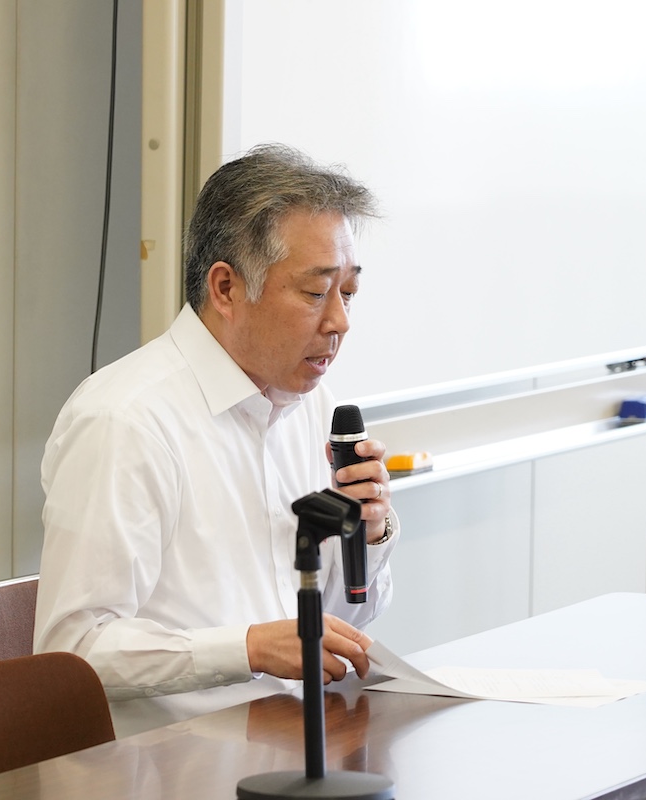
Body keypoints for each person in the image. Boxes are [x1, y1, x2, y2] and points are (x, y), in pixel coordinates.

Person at [33, 144, 398, 736]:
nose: (340, 322)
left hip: (300, 737)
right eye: (315, 293)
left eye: (348, 293)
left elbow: (334, 625)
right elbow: (73, 653)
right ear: (226, 288)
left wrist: (369, 534)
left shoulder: (314, 407)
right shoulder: (125, 420)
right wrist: (247, 649)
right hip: (174, 766)